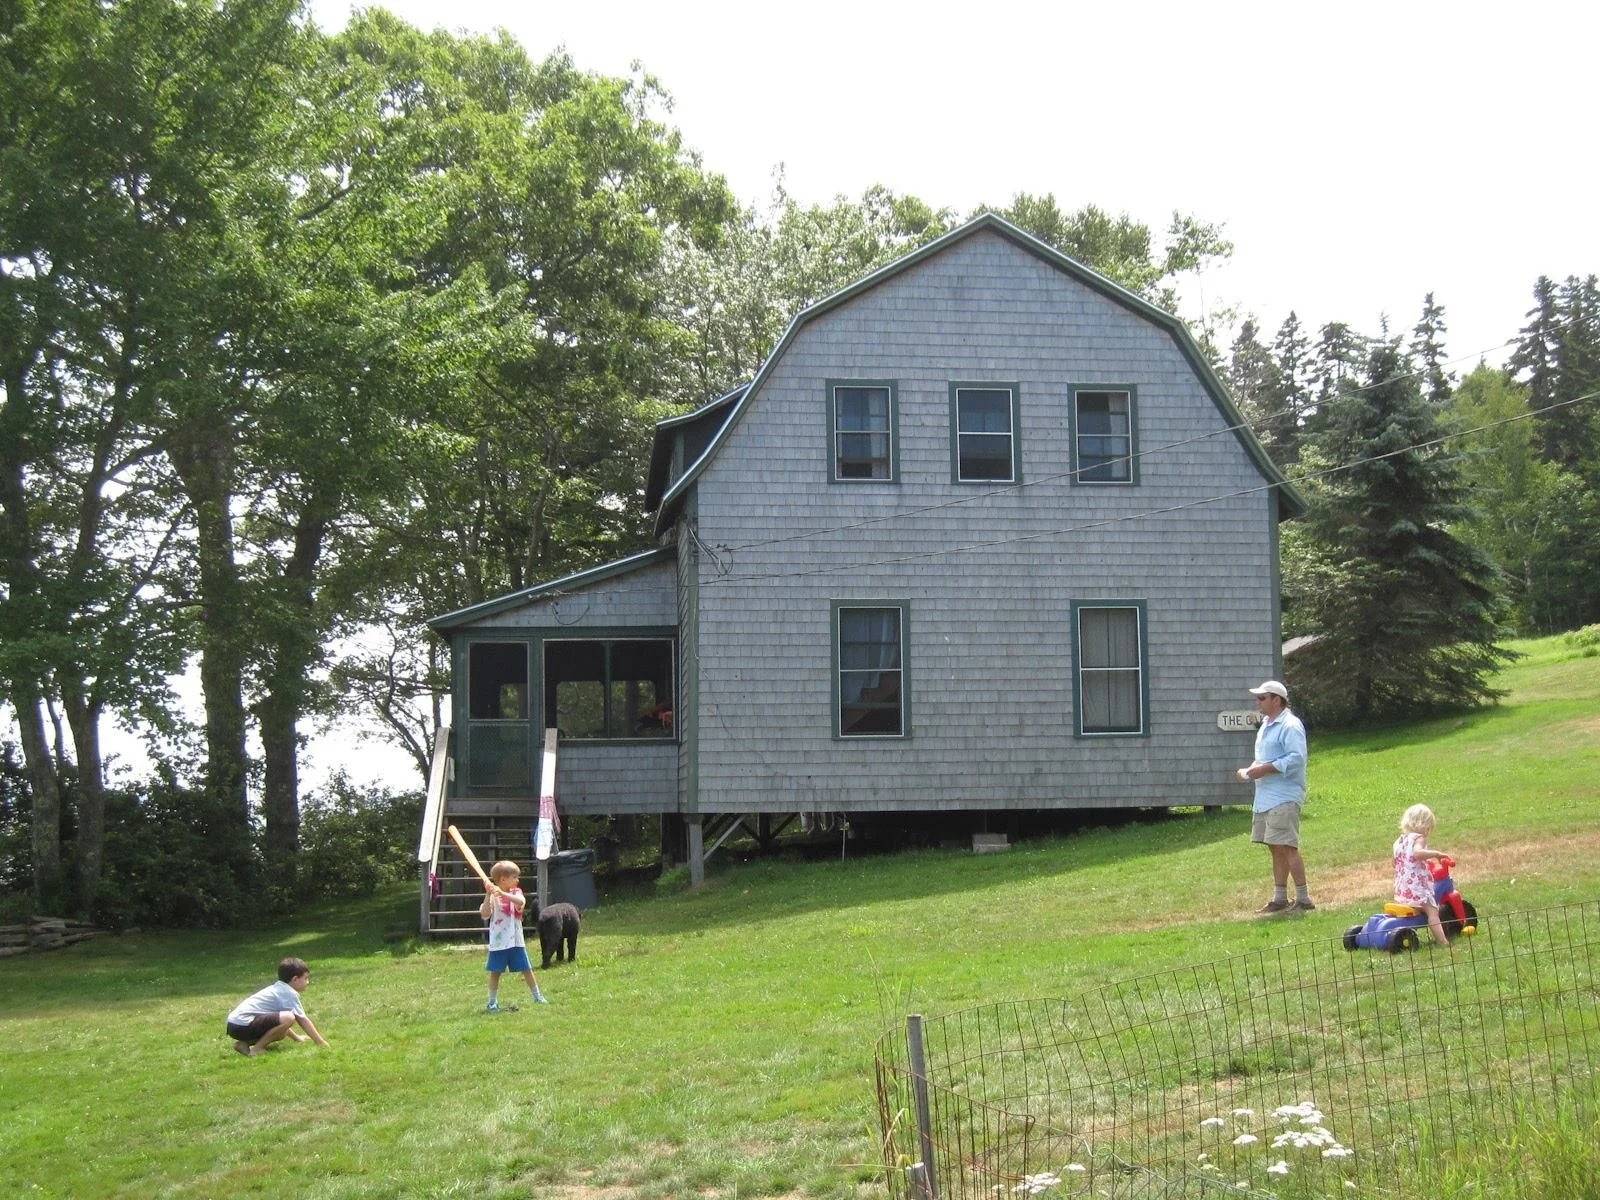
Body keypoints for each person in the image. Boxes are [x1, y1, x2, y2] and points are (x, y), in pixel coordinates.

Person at [1235, 680, 1313, 913]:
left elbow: (1297, 758)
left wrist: (1266, 769)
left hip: (1284, 796)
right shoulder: (1267, 725)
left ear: (1276, 700)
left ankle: (1304, 900)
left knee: (1288, 846)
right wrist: (1250, 771)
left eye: (1262, 698)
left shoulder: (1290, 725)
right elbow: (1263, 760)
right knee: (1275, 846)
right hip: (1266, 796)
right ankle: (1280, 899)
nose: (1257, 702)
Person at [225, 956, 329, 1057]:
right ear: (295, 979)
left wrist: (297, 1038)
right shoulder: (288, 993)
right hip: (242, 1023)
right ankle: (256, 1049)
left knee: (281, 1032)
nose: (308, 982)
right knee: (289, 1017)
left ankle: (244, 1044)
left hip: (234, 1025)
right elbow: (302, 1019)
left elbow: (279, 1023)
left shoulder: (279, 988)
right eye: (306, 978)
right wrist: (321, 1042)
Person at [480, 859, 548, 1011]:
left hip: (516, 942)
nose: (518, 880)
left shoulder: (516, 893)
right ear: (503, 879)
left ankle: (537, 996)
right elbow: (485, 914)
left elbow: (521, 902)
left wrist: (502, 893)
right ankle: (492, 1002)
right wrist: (488, 895)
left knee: (527, 968)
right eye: (514, 877)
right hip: (499, 943)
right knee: (495, 972)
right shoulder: (492, 896)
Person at [1394, 804, 1453, 948]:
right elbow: (1418, 853)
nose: (1428, 832)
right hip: (1416, 888)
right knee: (1433, 910)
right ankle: (1443, 942)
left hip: (1403, 889)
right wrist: (1436, 854)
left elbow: (1395, 861)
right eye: (1428, 828)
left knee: (1421, 907)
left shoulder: (1399, 841)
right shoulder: (1418, 839)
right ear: (1421, 824)